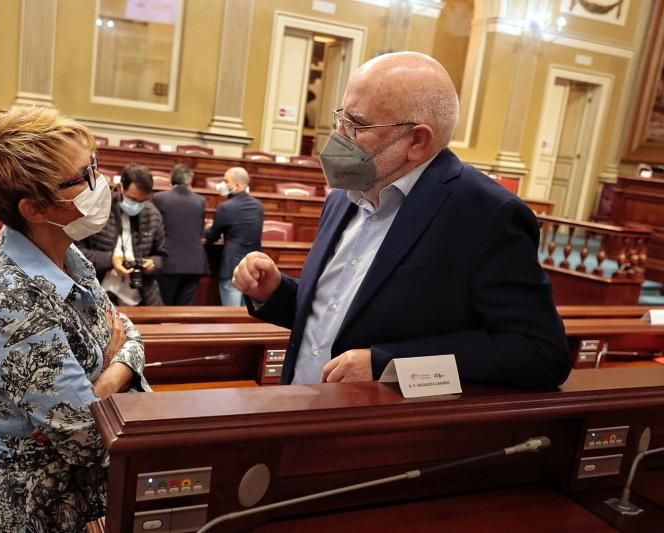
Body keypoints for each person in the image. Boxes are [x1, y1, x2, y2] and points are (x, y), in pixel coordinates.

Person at [232, 52, 571, 389]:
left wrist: (387, 364)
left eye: (358, 125)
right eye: (341, 118)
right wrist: (276, 292)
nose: (339, 136)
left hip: (381, 431)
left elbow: (539, 353)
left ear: (417, 141)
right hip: (297, 405)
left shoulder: (486, 213)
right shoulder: (343, 196)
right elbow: (341, 316)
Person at [0, 106, 151, 533]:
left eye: (93, 165)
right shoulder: (10, 300)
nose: (101, 183)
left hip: (77, 497)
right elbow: (85, 436)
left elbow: (130, 333)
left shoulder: (67, 255)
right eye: (84, 176)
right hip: (27, 508)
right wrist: (115, 369)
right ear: (36, 208)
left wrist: (99, 379)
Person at [78, 164, 167, 306]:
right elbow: (76, 253)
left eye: (143, 201)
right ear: (120, 188)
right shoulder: (98, 208)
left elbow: (161, 255)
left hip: (141, 296)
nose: (137, 205)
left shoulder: (153, 214)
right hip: (99, 295)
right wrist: (110, 260)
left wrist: (153, 264)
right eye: (133, 199)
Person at [205, 167, 264, 306]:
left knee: (230, 314)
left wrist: (206, 231)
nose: (222, 184)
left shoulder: (225, 207)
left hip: (231, 266)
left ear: (238, 185)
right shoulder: (258, 206)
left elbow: (213, 235)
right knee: (246, 314)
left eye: (226, 181)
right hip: (253, 265)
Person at [152, 164, 208, 305]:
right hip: (194, 263)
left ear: (170, 179)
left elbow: (155, 228)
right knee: (185, 310)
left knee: (165, 307)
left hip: (169, 261)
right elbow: (201, 230)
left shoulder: (159, 198)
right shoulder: (200, 201)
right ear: (190, 180)